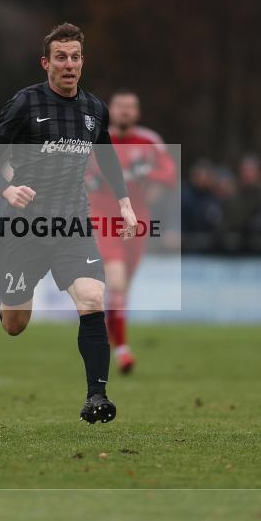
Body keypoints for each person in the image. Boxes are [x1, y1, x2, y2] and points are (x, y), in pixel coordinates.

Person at [0, 23, 137, 424]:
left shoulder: (94, 110)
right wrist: (7, 190)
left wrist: (124, 203)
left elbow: (108, 158)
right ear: (46, 63)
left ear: (82, 62)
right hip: (25, 228)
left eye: (75, 57)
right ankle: (1, 281)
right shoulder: (25, 103)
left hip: (72, 225)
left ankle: (96, 396)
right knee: (15, 325)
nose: (69, 64)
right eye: (60, 57)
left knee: (92, 299)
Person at [86, 89, 176, 374]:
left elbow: (170, 174)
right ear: (111, 110)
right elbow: (77, 170)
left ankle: (110, 337)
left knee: (122, 289)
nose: (125, 111)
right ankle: (123, 350)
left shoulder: (149, 141)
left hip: (137, 221)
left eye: (130, 106)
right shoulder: (96, 138)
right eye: (119, 106)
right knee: (117, 281)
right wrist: (89, 180)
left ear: (137, 112)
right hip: (103, 217)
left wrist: (146, 174)